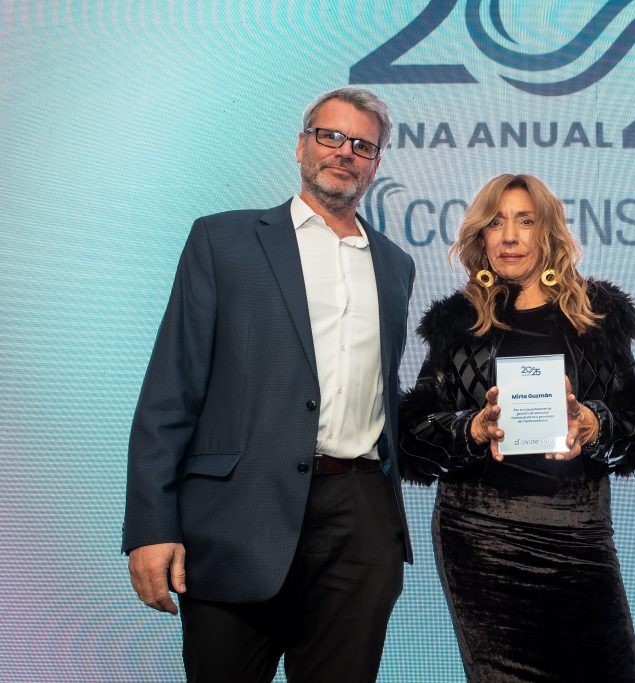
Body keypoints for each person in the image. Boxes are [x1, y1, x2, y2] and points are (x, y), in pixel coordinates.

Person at [122, 87, 415, 682]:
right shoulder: (222, 240)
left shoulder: (394, 264)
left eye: (362, 145)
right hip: (236, 517)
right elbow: (171, 389)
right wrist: (151, 527)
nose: (345, 152)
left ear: (375, 163)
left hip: (359, 523)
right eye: (330, 136)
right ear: (302, 146)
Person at [398, 173, 635, 682]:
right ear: (481, 237)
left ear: (548, 232)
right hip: (481, 539)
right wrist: (473, 429)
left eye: (525, 221)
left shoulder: (598, 317)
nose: (509, 236)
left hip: (580, 535)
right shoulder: (457, 323)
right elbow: (412, 437)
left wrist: (593, 424)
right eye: (496, 223)